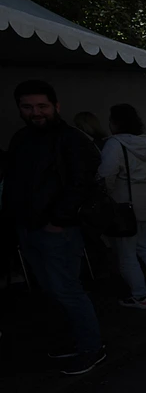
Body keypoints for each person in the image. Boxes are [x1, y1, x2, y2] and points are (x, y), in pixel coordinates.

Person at [3, 80, 105, 375]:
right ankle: (76, 341)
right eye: (27, 106)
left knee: (67, 290)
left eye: (42, 106)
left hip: (57, 231)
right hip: (28, 228)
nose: (36, 112)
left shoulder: (72, 139)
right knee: (51, 289)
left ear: (56, 106)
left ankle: (91, 347)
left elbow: (82, 183)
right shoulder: (21, 138)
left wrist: (58, 221)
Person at [99, 104, 146, 308]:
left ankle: (140, 296)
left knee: (127, 254)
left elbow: (106, 176)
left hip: (126, 206)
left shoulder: (114, 144)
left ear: (114, 122)